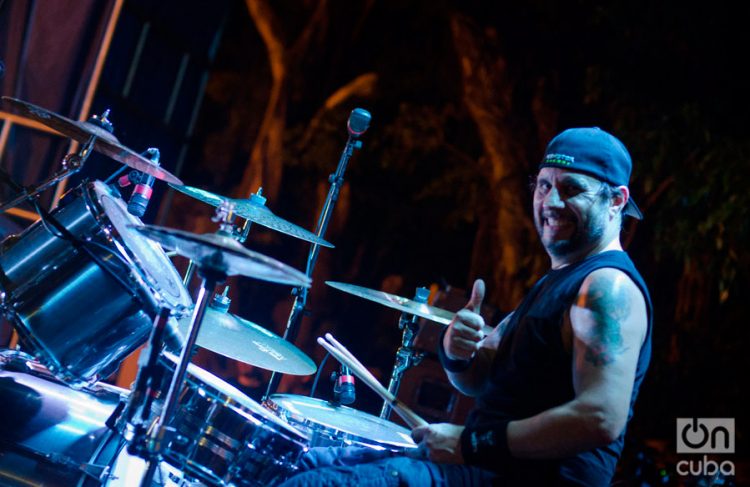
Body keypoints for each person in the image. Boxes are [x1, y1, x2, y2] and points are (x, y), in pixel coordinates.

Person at [278, 127, 652, 486]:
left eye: (571, 189)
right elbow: (475, 379)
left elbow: (601, 417)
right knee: (301, 459)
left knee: (311, 481)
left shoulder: (607, 287)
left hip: (514, 479)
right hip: (481, 468)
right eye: (543, 185)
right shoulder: (558, 281)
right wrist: (456, 349)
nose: (551, 202)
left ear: (616, 200)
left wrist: (470, 443)